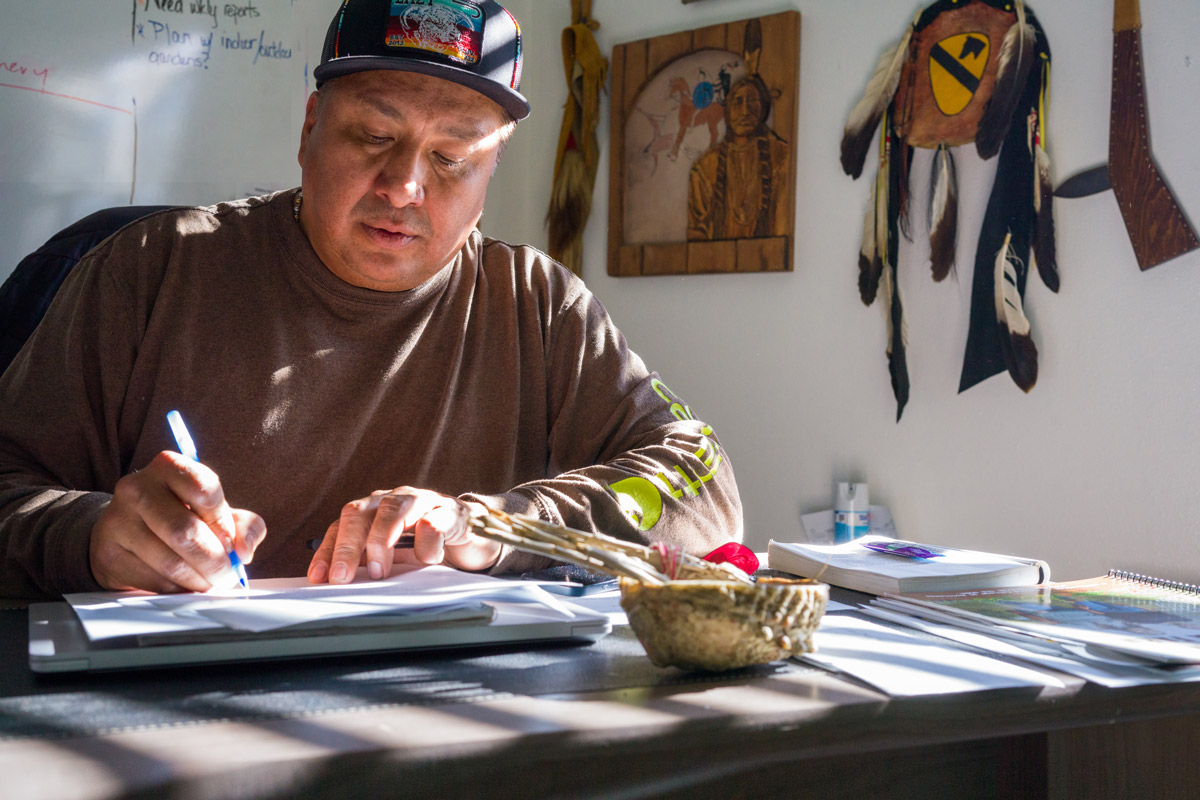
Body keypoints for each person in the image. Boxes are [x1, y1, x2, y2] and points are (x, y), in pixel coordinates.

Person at [0, 0, 742, 599]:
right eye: (373, 134)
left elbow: (702, 479)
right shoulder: (150, 270)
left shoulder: (540, 306)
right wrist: (91, 537)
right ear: (310, 128)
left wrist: (502, 526)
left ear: (492, 172)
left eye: (453, 157)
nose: (404, 186)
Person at [687, 73, 789, 241]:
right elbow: (696, 237)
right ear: (727, 110)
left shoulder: (782, 156)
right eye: (738, 102)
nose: (745, 112)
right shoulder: (704, 168)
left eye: (752, 102)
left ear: (763, 107)